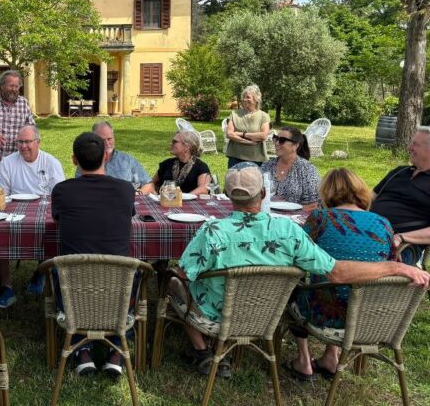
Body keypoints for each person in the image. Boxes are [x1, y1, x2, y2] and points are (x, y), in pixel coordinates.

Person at [170, 163, 429, 379]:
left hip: (216, 314)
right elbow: (335, 271)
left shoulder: (212, 231)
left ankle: (202, 350)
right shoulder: (289, 231)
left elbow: (183, 272)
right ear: (263, 193)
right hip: (268, 313)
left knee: (172, 282)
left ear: (227, 195)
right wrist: (395, 266)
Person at [287, 168, 395, 381]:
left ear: (326, 192)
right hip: (371, 313)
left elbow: (298, 256)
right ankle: (330, 357)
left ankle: (304, 360)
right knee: (341, 287)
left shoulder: (320, 218)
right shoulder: (383, 223)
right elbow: (392, 264)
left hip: (328, 314)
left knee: (293, 287)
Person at [51, 131, 136, 377]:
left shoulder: (62, 190)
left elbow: (57, 218)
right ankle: (117, 347)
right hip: (118, 283)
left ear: (74, 160)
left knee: (61, 272)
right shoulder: (125, 190)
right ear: (106, 157)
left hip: (73, 283)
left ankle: (82, 349)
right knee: (132, 276)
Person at [0, 125, 65, 308]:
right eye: (20, 142)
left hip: (44, 211)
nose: (23, 146)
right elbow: (2, 194)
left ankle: (41, 274)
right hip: (14, 211)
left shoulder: (51, 163)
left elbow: (60, 195)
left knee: (55, 230)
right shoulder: (8, 162)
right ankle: (6, 286)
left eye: (28, 142)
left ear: (38, 142)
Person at [371, 127, 430, 257]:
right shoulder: (400, 171)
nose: (409, 148)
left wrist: (401, 237)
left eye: (415, 144)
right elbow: (368, 198)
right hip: (366, 232)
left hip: (401, 245)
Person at [77, 121, 153, 193]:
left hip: (125, 200)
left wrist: (136, 195)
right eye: (102, 140)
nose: (107, 143)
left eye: (109, 139)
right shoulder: (87, 161)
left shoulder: (127, 160)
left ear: (114, 137)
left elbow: (149, 184)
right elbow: (79, 188)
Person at [260, 127, 321, 212]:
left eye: (282, 140)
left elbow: (314, 204)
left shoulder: (307, 169)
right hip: (267, 214)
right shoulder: (267, 165)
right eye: (276, 138)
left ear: (296, 145)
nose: (276, 143)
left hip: (296, 217)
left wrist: (292, 213)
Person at [224, 84, 271, 167]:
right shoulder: (234, 114)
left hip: (255, 159)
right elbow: (229, 134)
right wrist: (248, 142)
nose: (244, 99)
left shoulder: (264, 116)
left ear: (256, 99)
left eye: (248, 97)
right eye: (243, 97)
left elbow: (263, 135)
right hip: (235, 157)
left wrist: (241, 134)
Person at [152, 130, 211, 195]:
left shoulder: (200, 166)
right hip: (165, 200)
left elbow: (203, 189)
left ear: (187, 147)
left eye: (175, 142)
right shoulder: (166, 164)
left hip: (190, 201)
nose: (171, 144)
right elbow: (151, 183)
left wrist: (185, 197)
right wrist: (156, 195)